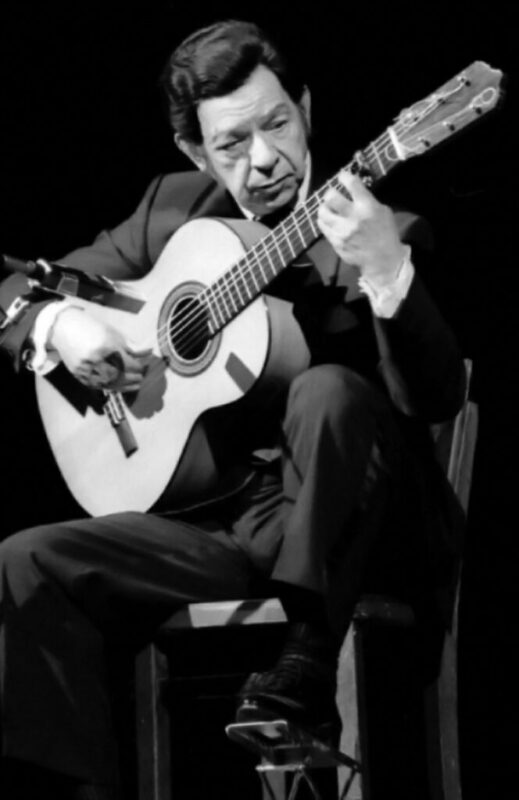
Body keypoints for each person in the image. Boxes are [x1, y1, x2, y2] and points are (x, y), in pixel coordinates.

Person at [0, 19, 466, 800]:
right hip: (220, 526)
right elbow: (17, 286)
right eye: (231, 143)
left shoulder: (381, 230)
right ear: (195, 153)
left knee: (325, 387)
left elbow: (434, 398)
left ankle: (305, 665)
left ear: (305, 109)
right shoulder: (172, 210)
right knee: (27, 561)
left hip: (352, 523)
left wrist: (387, 269)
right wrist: (59, 327)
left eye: (276, 124)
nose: (263, 158)